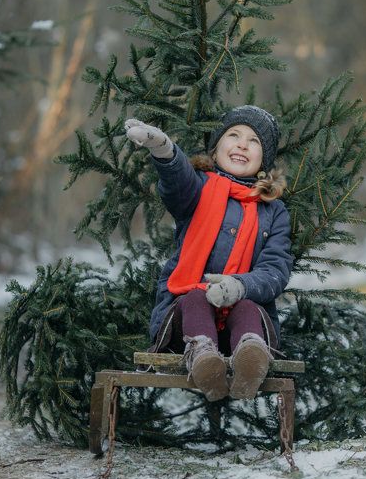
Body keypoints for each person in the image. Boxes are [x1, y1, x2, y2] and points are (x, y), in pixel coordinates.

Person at [124, 105, 293, 402]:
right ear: (215, 151)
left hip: (241, 318)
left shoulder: (274, 211)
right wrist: (164, 149)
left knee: (249, 307)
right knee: (195, 298)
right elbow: (177, 183)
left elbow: (275, 271)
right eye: (234, 135)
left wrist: (239, 286)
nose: (242, 144)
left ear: (263, 161)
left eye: (254, 141)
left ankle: (250, 359)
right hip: (187, 321)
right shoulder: (199, 189)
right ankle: (203, 358)